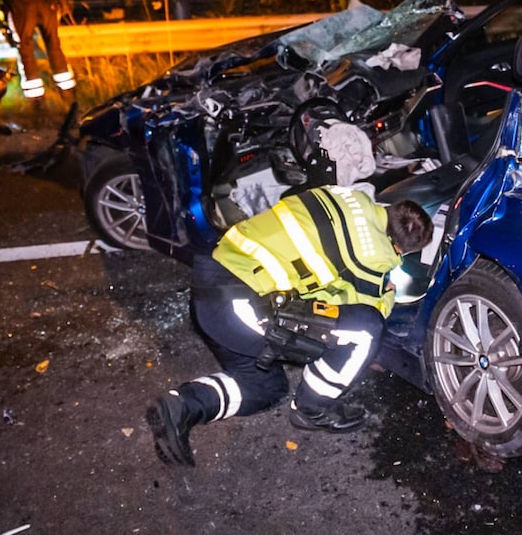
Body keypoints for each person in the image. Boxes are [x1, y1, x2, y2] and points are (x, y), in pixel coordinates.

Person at [147, 185, 433, 467]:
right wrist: (388, 291)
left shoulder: (347, 195)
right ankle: (312, 409)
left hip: (214, 277)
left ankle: (181, 407)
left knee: (265, 388)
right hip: (241, 304)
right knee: (365, 331)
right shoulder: (376, 255)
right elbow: (365, 311)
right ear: (400, 247)